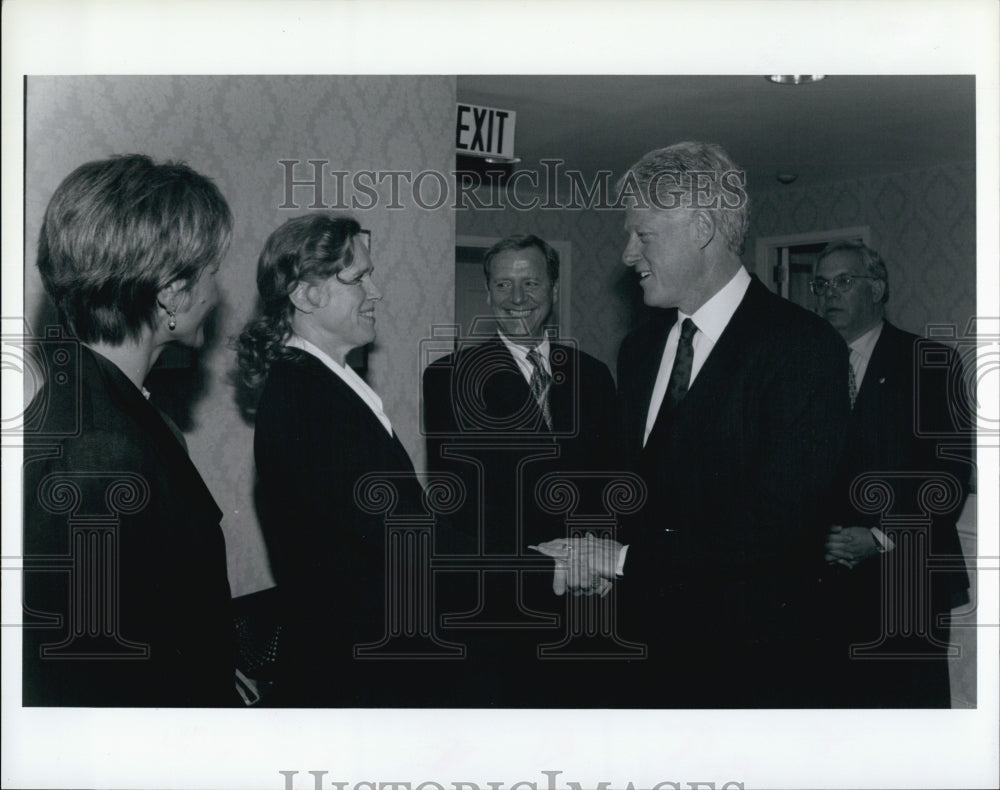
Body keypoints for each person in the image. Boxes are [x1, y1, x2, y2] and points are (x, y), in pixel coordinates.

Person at [541, 141, 851, 707]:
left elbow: (777, 524)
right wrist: (589, 547)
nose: (628, 253)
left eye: (643, 235)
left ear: (702, 227)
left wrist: (623, 559)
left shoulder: (804, 349)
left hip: (750, 667)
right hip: (641, 654)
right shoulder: (639, 348)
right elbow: (637, 487)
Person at [22, 154, 237, 706]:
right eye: (213, 270)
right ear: (172, 292)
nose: (217, 292)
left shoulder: (99, 404)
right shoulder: (100, 452)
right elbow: (97, 687)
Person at [238, 214, 443, 706]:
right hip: (355, 672)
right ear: (306, 295)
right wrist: (538, 564)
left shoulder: (322, 383)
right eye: (357, 279)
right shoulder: (307, 399)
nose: (375, 292)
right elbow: (404, 537)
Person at [422, 234, 618, 705]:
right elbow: (461, 503)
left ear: (553, 289)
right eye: (503, 285)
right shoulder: (450, 378)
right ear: (488, 295)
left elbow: (611, 479)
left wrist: (595, 562)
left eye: (531, 283)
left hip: (592, 597)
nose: (517, 299)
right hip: (505, 601)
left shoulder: (592, 375)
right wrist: (544, 568)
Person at [811, 239, 971, 707]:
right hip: (822, 586)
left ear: (877, 289)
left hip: (907, 582)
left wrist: (879, 535)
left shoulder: (929, 363)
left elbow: (948, 477)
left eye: (844, 282)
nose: (828, 295)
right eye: (821, 284)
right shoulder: (802, 367)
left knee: (907, 726)